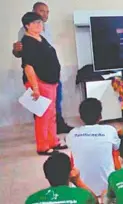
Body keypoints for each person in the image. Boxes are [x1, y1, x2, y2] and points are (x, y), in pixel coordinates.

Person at [13, 2, 73, 134]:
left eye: (47, 12)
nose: (45, 14)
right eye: (41, 11)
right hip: (40, 77)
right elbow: (22, 54)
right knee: (42, 109)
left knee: (56, 103)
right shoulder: (25, 32)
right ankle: (44, 139)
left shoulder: (47, 28)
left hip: (52, 75)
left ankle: (57, 128)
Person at [20, 12, 67, 155]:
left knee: (51, 114)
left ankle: (53, 141)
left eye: (40, 22)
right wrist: (35, 87)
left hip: (50, 82)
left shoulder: (41, 38)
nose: (39, 25)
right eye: (35, 23)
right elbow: (28, 66)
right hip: (39, 82)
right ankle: (43, 146)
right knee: (42, 116)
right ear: (27, 26)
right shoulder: (27, 42)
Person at [66, 98, 121, 197]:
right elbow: (117, 151)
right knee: (113, 151)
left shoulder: (72, 133)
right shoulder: (110, 130)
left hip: (80, 188)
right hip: (108, 188)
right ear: (100, 116)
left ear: (81, 117)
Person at [25, 152, 98, 204]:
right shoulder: (83, 195)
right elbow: (96, 202)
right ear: (70, 173)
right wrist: (77, 181)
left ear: (46, 176)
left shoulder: (32, 199)